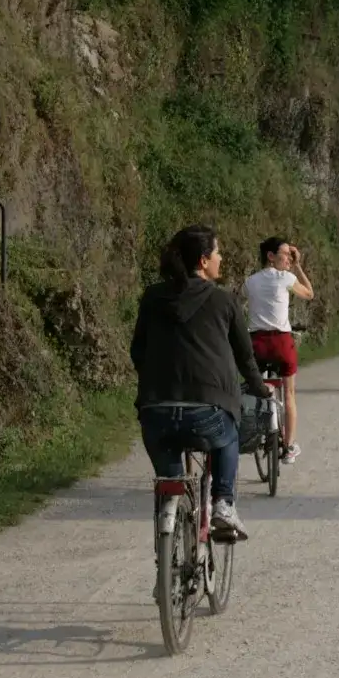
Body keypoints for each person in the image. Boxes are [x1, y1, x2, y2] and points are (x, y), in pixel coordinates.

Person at [130, 225, 272, 540]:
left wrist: (158, 385)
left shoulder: (153, 297)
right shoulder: (224, 301)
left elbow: (137, 351)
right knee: (229, 434)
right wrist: (261, 391)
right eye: (218, 253)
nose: (221, 259)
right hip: (209, 411)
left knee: (171, 481)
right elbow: (245, 359)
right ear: (205, 260)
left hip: (156, 411)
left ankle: (168, 559)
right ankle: (223, 503)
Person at [244, 236, 314, 465]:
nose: (289, 258)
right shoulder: (287, 277)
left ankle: (255, 430)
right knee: (289, 394)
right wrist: (299, 266)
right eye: (285, 253)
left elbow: (238, 303)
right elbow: (309, 294)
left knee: (254, 389)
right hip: (282, 343)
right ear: (270, 256)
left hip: (256, 345)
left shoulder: (250, 281)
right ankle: (290, 446)